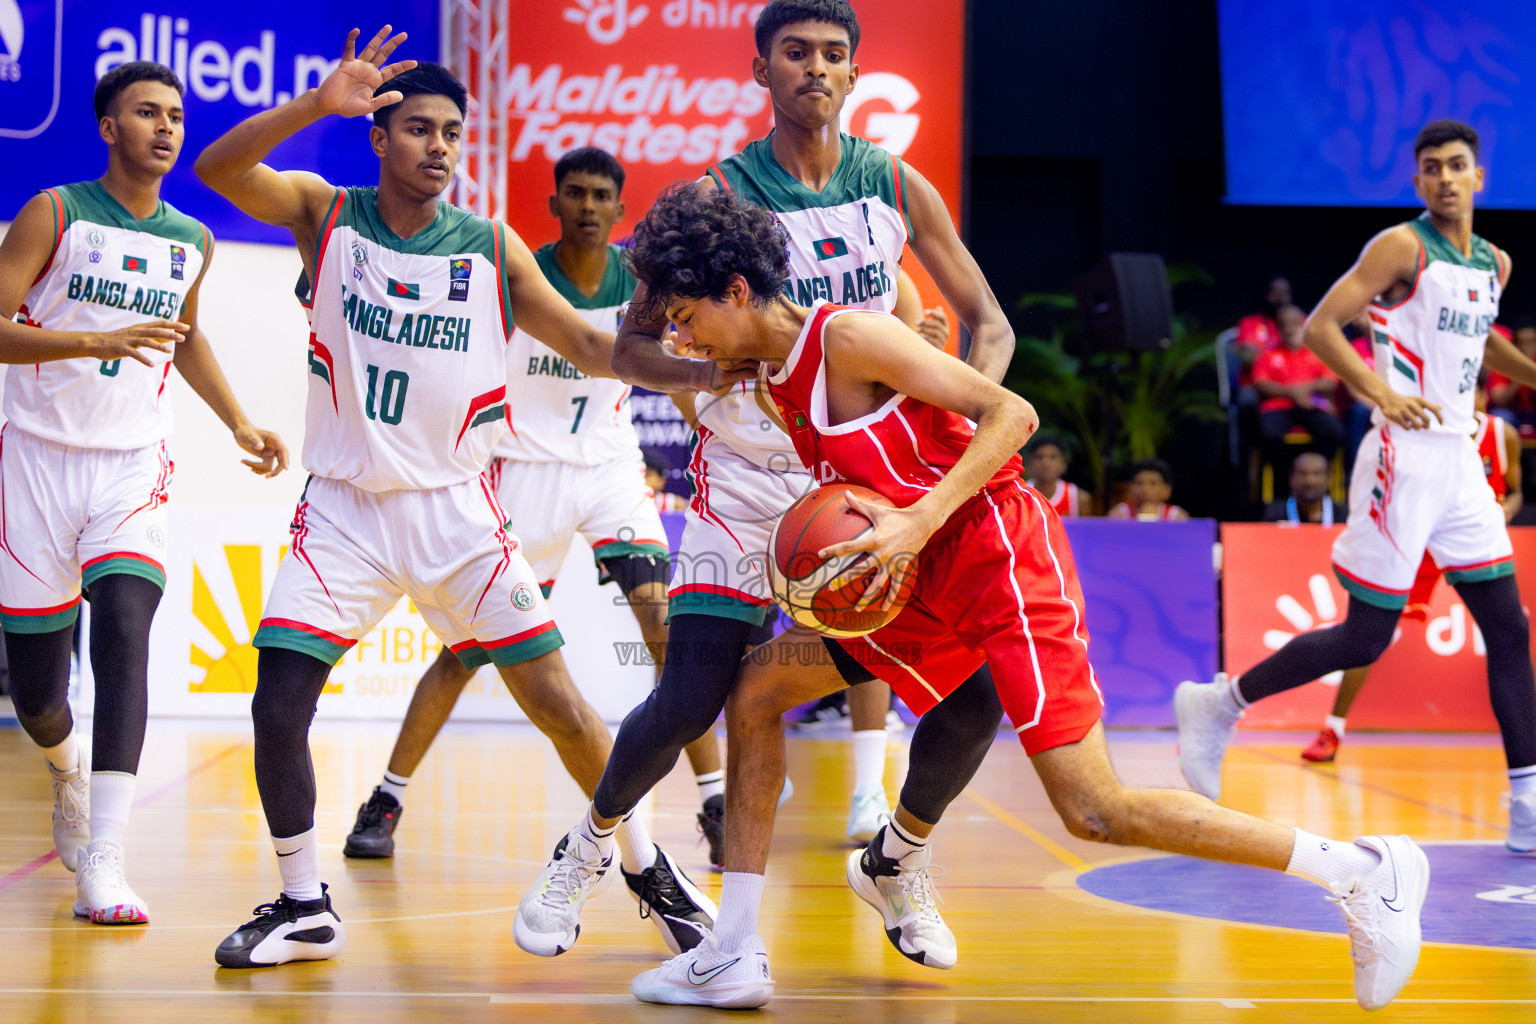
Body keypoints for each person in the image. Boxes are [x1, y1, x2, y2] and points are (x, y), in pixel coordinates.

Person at [619, 183, 1428, 1012]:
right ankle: (736, 949)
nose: (678, 335)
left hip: (995, 553)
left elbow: (1012, 413)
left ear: (739, 291)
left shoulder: (851, 337)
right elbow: (624, 353)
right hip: (916, 575)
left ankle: (1363, 872)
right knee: (756, 692)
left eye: (685, 313)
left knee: (1093, 809)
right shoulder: (764, 368)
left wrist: (918, 516)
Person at [193, 32, 717, 967]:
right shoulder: (326, 215)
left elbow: (596, 349)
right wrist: (319, 101)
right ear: (378, 136)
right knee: (278, 703)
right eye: (419, 129)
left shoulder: (488, 245)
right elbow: (219, 165)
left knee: (559, 704)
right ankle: (303, 900)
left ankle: (646, 864)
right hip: (346, 510)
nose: (439, 146)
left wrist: (700, 367)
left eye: (452, 134)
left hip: (461, 513)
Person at [517, 0, 1014, 963]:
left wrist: (952, 423)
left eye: (833, 54)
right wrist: (705, 373)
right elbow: (627, 346)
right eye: (795, 53)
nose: (815, 69)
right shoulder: (712, 195)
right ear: (760, 71)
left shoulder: (899, 188)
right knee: (692, 691)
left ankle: (898, 861)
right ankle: (585, 850)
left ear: (855, 74)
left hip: (866, 484)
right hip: (747, 484)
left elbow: (985, 321)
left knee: (976, 684)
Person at [339, 146, 730, 879]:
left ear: (620, 211)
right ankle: (385, 801)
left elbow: (670, 374)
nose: (587, 206)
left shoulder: (642, 288)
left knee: (665, 625)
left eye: (601, 196)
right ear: (554, 205)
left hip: (610, 469)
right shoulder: (514, 279)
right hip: (524, 471)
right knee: (466, 652)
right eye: (573, 193)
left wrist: (717, 431)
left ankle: (716, 802)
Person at [1176, 119, 1536, 854]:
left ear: (1478, 178)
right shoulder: (1401, 246)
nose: (1443, 177)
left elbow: (1480, 338)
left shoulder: (1494, 263)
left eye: (1456, 166)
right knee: (1367, 636)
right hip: (1402, 454)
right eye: (1430, 167)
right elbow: (1321, 328)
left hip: (1461, 461)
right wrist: (1382, 392)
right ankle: (1221, 703)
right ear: (1418, 183)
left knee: (1509, 627)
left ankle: (1527, 804)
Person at [0, 61, 289, 925]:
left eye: (174, 114)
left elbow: (185, 337)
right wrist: (88, 339)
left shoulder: (190, 238)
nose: (165, 128)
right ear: (106, 126)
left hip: (132, 463)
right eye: (145, 113)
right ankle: (66, 773)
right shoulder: (54, 212)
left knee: (127, 625)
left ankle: (107, 860)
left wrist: (239, 419)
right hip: (36, 464)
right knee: (40, 695)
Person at [1298, 381, 1521, 763]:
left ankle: (1524, 752)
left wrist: (1504, 513)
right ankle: (1332, 728)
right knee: (1368, 636)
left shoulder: (1503, 434)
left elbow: (1515, 489)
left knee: (1509, 636)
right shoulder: (1424, 428)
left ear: (1481, 396)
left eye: (1473, 394)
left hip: (1471, 543)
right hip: (1417, 544)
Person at [1253, 303, 1345, 479]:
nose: (1289, 329)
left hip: (1312, 404)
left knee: (1334, 432)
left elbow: (1330, 382)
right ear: (1278, 327)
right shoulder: (1268, 353)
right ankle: (1288, 481)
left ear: (1303, 323)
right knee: (1268, 434)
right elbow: (1261, 385)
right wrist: (1292, 393)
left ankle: (1316, 478)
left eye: (1294, 323)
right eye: (1283, 325)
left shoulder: (1318, 351)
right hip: (1278, 407)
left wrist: (1305, 389)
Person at [1261, 452, 1344, 524]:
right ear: (1291, 478)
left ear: (1328, 478)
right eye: (1302, 473)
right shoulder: (1274, 514)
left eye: (1317, 473)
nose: (1309, 481)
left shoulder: (1344, 516)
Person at [1025, 434, 1093, 516]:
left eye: (1053, 457)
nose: (1046, 464)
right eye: (1039, 457)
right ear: (1029, 464)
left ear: (1063, 464)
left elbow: (1085, 528)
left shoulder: (1078, 499)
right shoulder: (1020, 495)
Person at [1105, 458, 1189, 520]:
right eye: (1139, 483)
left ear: (1167, 489)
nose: (1145, 489)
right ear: (1130, 487)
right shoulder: (1120, 513)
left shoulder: (1176, 515)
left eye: (1153, 483)